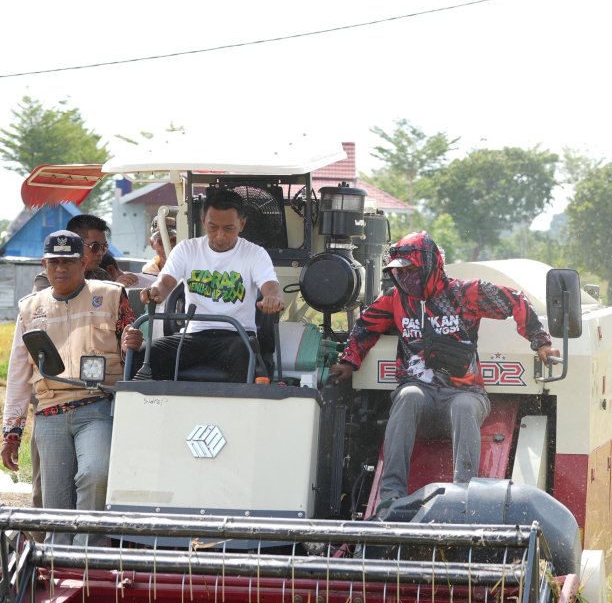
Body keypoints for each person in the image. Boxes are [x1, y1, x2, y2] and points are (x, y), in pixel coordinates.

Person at [329, 232, 559, 507]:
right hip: (421, 398)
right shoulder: (395, 299)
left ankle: (465, 497)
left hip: (466, 393)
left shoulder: (465, 293)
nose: (406, 278)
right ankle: (390, 497)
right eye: (399, 272)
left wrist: (541, 343)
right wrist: (348, 361)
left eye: (411, 270)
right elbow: (366, 326)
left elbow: (515, 301)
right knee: (407, 396)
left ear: (430, 265)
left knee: (463, 406)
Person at [2, 230, 136, 544]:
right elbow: (18, 373)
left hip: (98, 406)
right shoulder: (29, 308)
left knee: (95, 474)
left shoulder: (112, 295)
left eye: (69, 262)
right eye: (54, 262)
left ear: (84, 262)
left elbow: (132, 349)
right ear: (44, 264)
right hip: (50, 412)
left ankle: (89, 557)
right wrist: (12, 431)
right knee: (56, 501)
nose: (61, 269)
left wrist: (133, 343)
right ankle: (61, 570)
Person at [131, 189, 284, 382]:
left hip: (237, 336)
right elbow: (165, 282)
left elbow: (270, 286)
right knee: (143, 356)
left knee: (246, 357)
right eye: (213, 227)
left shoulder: (255, 254)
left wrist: (273, 297)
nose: (220, 236)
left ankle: (237, 411)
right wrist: (155, 292)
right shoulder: (187, 249)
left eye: (228, 228)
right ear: (203, 221)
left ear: (242, 224)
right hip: (194, 335)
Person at [67, 213, 136, 286]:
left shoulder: (100, 275)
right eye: (95, 247)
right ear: (75, 245)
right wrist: (114, 290)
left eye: (104, 247)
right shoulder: (60, 276)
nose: (100, 253)